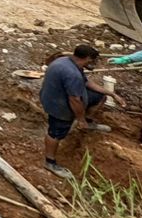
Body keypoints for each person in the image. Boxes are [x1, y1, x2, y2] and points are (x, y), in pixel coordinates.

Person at [41, 43, 111, 177]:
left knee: (100, 96)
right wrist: (80, 119)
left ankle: (88, 122)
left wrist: (111, 93)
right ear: (88, 58)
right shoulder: (72, 74)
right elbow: (75, 100)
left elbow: (86, 83)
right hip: (59, 106)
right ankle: (50, 162)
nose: (94, 64)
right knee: (55, 133)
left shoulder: (67, 61)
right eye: (94, 61)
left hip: (55, 95)